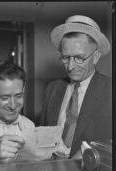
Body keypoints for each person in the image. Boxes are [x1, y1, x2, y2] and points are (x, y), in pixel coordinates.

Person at [40, 15, 112, 159]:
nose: (71, 67)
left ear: (96, 56)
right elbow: (42, 138)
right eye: (66, 57)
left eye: (79, 58)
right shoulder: (53, 89)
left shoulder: (110, 90)